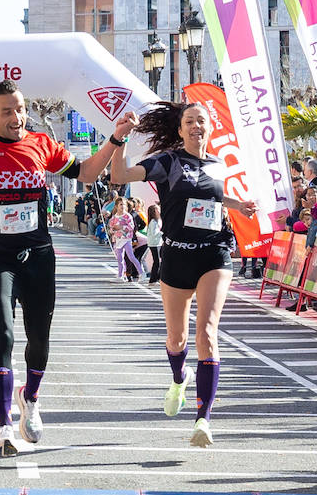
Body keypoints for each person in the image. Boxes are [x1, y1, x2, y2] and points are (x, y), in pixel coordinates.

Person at [0, 78, 120, 456]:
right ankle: (3, 425)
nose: (16, 117)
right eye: (7, 111)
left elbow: (85, 174)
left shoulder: (42, 144)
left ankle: (29, 399)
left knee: (39, 341)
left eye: (20, 108)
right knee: (4, 336)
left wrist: (114, 141)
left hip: (39, 256)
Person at [110, 100, 258, 447]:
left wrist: (241, 206)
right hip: (176, 258)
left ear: (210, 127)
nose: (196, 126)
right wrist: (121, 141)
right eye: (189, 121)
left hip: (214, 254)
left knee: (206, 332)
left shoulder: (219, 164)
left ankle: (203, 419)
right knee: (177, 339)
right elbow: (119, 177)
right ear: (180, 129)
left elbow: (215, 199)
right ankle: (179, 378)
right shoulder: (168, 162)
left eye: (201, 121)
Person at [141, 203, 163, 284]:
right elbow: (154, 233)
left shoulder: (159, 220)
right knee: (156, 261)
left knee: (160, 261)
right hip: (154, 243)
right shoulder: (153, 222)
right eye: (157, 209)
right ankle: (153, 280)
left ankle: (158, 278)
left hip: (158, 242)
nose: (159, 210)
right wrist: (162, 233)